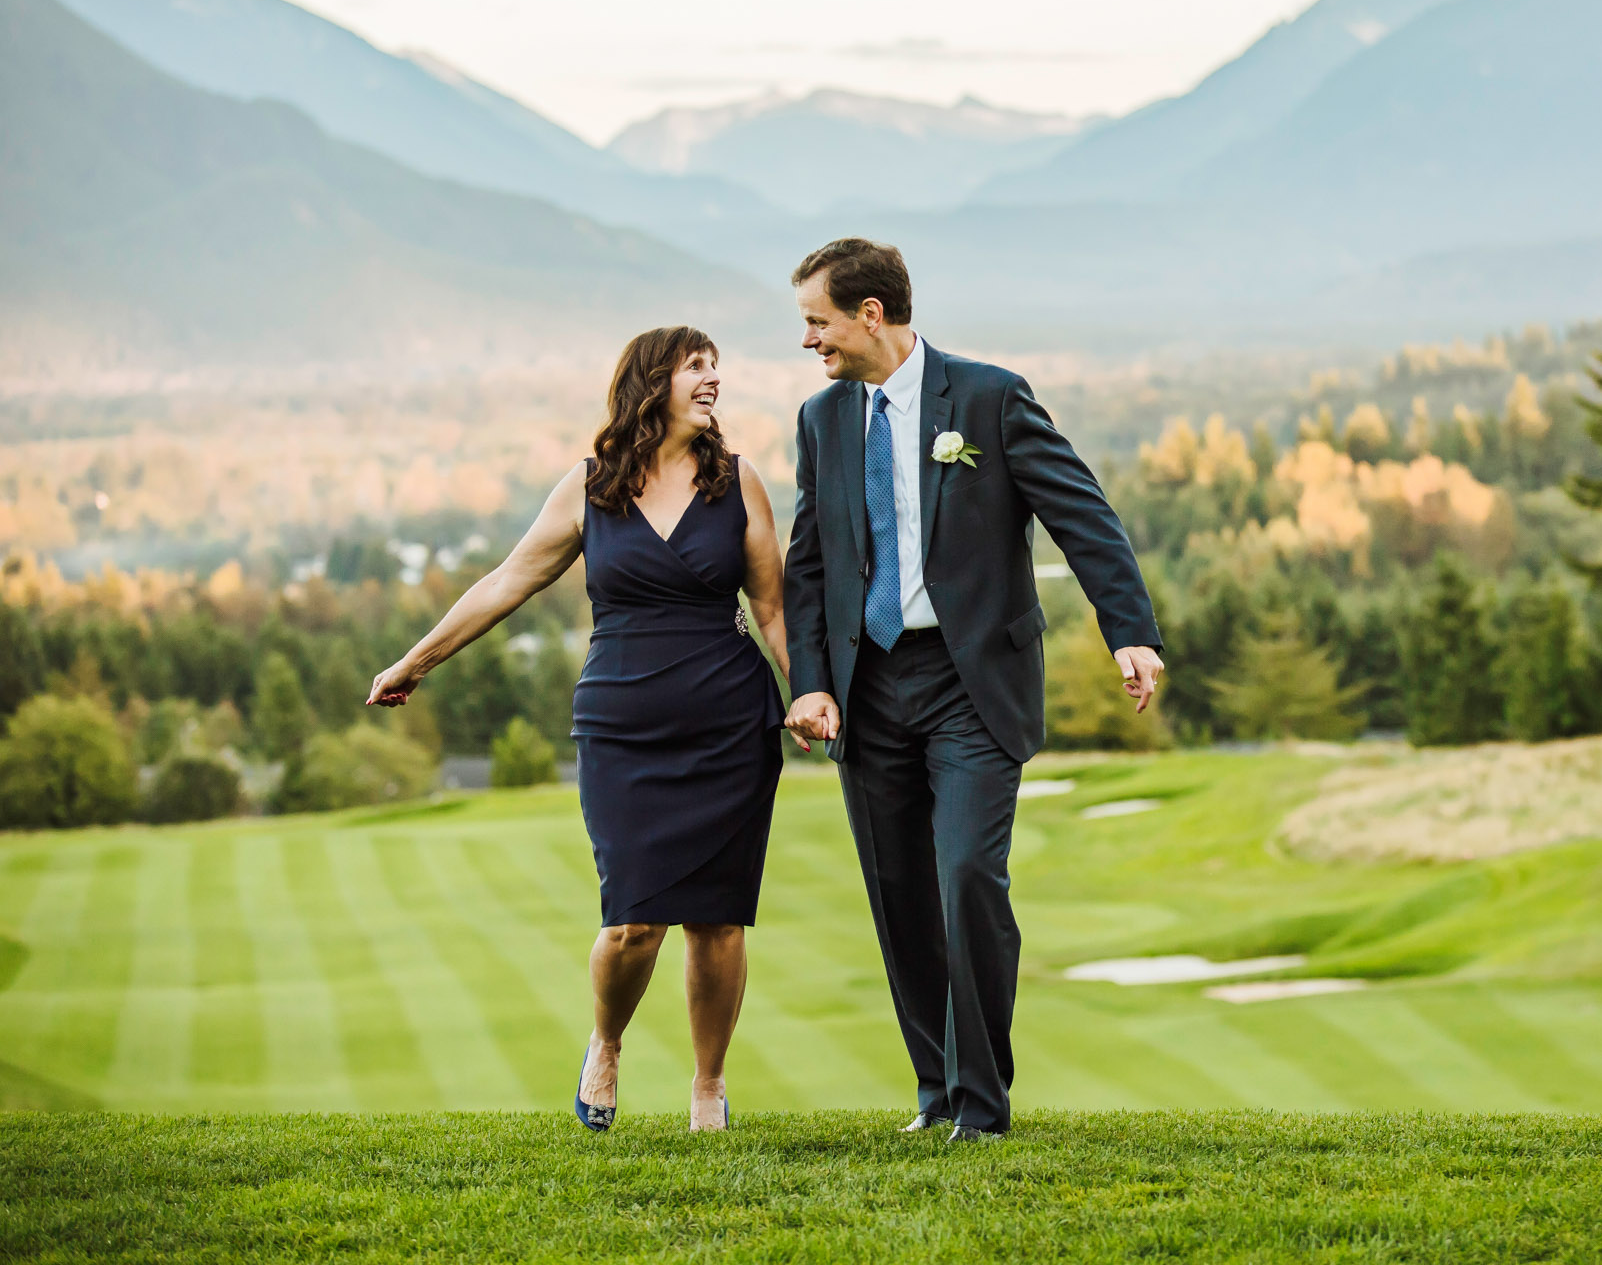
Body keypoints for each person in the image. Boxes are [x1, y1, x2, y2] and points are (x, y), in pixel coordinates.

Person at [782, 238, 1164, 1143]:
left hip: (971, 683)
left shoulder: (989, 399)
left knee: (965, 877)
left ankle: (983, 1107)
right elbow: (809, 565)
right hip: (868, 687)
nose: (809, 342)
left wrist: (1131, 630)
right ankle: (937, 1092)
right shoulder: (820, 420)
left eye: (817, 322)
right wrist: (812, 683)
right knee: (898, 890)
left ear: (871, 315)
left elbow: (1082, 515)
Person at [367, 327, 788, 1133]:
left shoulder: (739, 484)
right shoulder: (591, 486)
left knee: (718, 917)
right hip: (622, 726)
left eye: (716, 368)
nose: (713, 381)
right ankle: (607, 1043)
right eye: (695, 368)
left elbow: (771, 606)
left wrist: (811, 697)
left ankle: (708, 1087)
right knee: (632, 919)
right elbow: (508, 581)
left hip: (729, 722)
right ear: (650, 382)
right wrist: (415, 662)